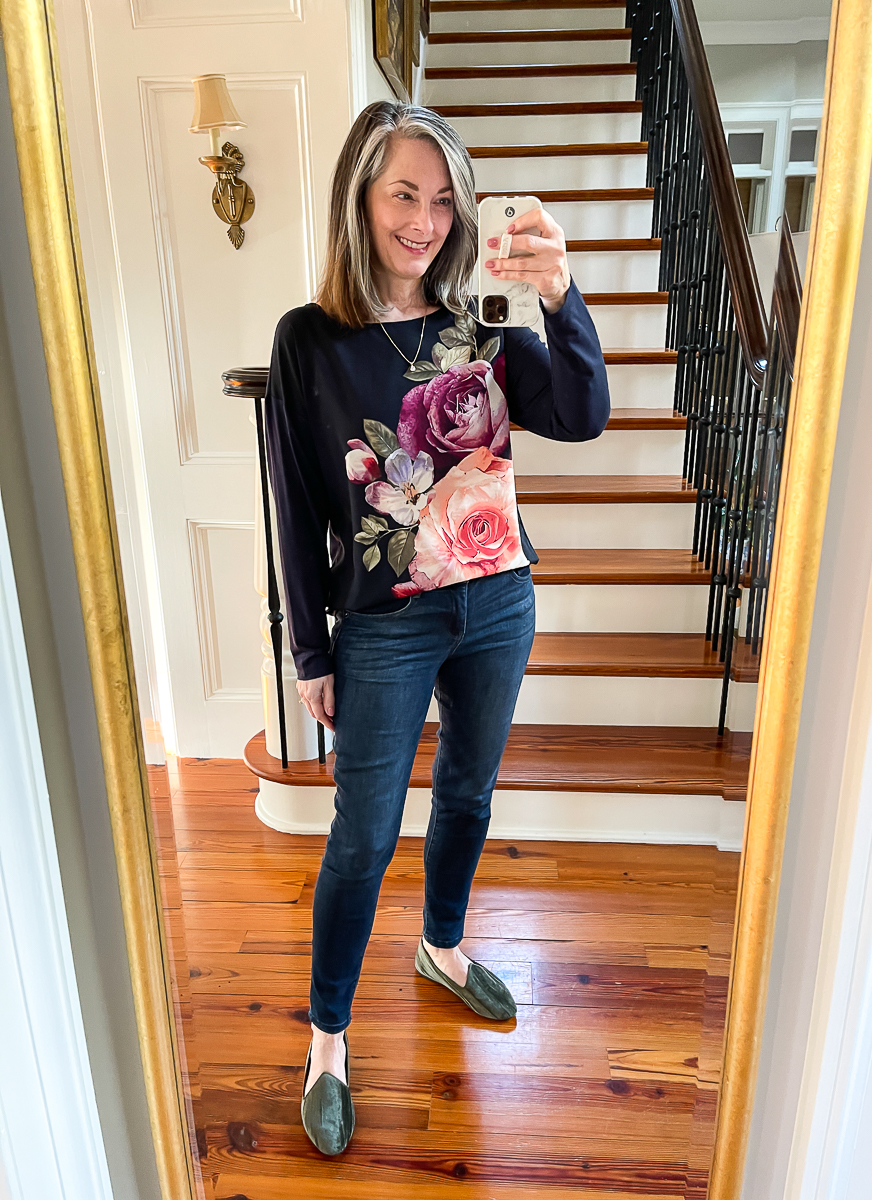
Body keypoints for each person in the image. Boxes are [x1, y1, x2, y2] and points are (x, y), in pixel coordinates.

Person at [265, 100, 609, 1156]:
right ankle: (328, 1038)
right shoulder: (310, 340)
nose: (424, 219)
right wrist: (310, 652)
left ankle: (444, 948)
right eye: (403, 194)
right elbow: (295, 501)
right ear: (360, 202)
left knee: (468, 789)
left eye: (443, 197)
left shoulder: (486, 319)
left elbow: (583, 415)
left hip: (499, 599)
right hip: (384, 625)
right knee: (362, 835)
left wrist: (561, 297)